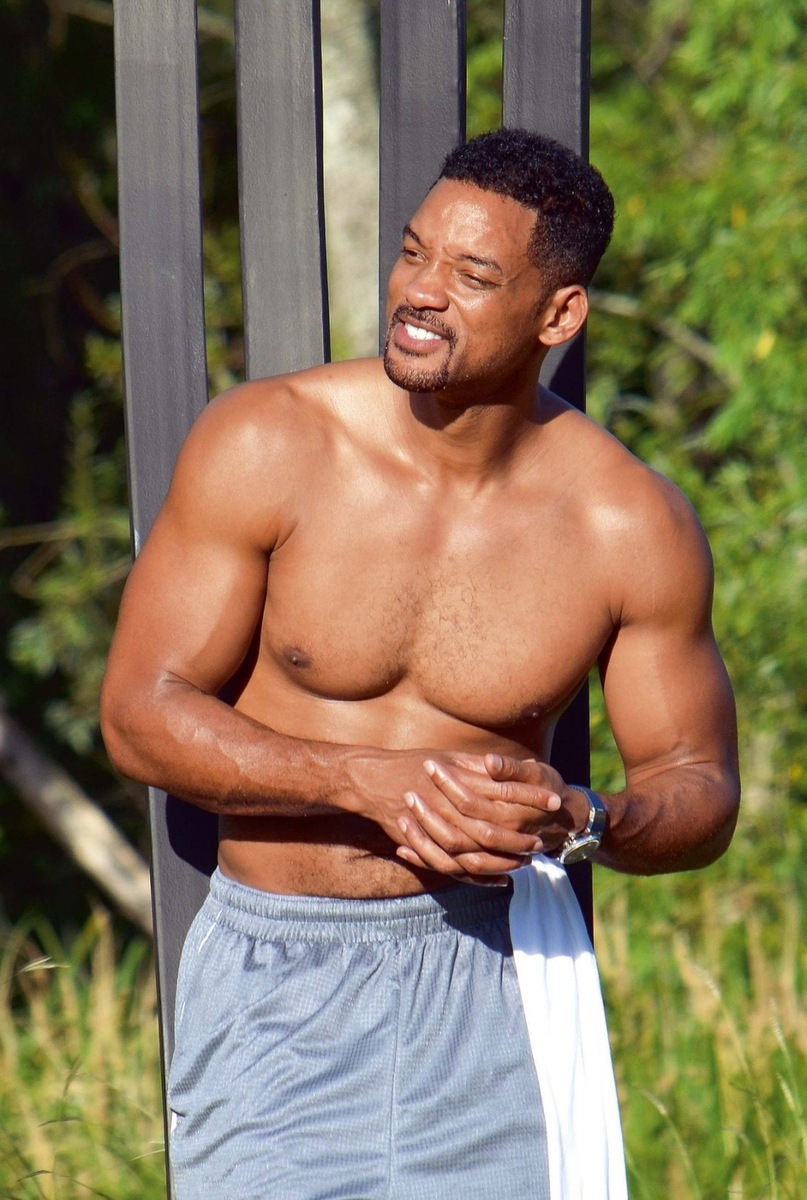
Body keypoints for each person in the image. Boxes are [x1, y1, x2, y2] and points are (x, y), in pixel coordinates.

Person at [101, 128, 739, 1199]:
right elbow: (138, 714)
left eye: (473, 274)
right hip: (276, 983)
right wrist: (363, 782)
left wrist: (583, 817)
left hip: (503, 975)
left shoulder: (629, 524)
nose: (421, 292)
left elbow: (700, 788)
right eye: (412, 253)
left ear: (559, 316)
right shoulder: (270, 441)